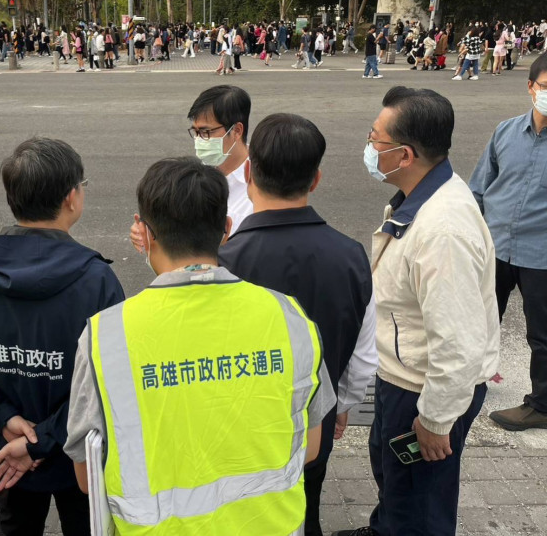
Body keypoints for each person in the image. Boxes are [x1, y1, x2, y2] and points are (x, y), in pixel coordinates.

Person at [64, 156, 335, 535]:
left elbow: (86, 476)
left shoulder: (106, 335)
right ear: (226, 229)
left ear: (147, 233)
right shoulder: (289, 317)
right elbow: (309, 447)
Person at [0, 137, 124, 536]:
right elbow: (108, 378)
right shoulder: (96, 280)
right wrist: (41, 440)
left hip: (7, 448)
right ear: (72, 197)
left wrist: (4, 417)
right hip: (77, 457)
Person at [333, 87, 499, 536]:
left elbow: (459, 340)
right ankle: (386, 527)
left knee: (421, 501)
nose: (369, 148)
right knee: (396, 478)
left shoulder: (443, 230)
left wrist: (436, 419)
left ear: (405, 155)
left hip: (424, 388)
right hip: (402, 374)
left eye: (375, 140)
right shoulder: (425, 193)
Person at [218, 113, 377, 536]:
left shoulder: (224, 262)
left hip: (240, 430)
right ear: (317, 179)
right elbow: (364, 356)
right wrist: (341, 404)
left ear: (249, 170)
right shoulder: (352, 256)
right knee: (307, 505)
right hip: (313, 425)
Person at [469, 52, 547, 431]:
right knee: (480, 320)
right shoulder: (505, 132)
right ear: (530, 87)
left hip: (542, 256)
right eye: (545, 87)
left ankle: (542, 406)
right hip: (495, 247)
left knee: (543, 335)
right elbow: (479, 188)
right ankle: (468, 381)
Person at [129, 85, 253, 253]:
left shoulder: (261, 186)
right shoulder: (193, 177)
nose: (199, 141)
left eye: (206, 132)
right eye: (195, 132)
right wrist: (148, 232)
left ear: (237, 130)